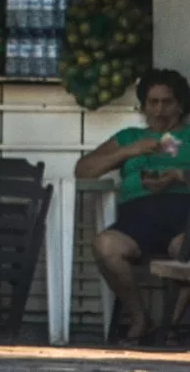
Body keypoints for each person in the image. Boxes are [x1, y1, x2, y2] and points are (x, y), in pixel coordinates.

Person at [75, 68, 190, 343]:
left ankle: (170, 326)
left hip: (183, 218)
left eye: (167, 102)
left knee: (186, 250)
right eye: (153, 102)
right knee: (106, 246)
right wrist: (130, 151)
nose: (159, 110)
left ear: (181, 105)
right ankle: (141, 319)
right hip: (136, 220)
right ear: (143, 106)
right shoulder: (129, 137)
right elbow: (83, 170)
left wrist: (179, 176)